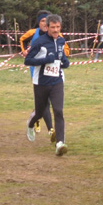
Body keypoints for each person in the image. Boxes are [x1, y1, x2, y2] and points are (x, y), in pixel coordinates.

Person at [25, 14, 70, 156]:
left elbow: (61, 58)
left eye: (58, 27)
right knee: (39, 112)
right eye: (53, 27)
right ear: (47, 27)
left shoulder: (62, 41)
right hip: (41, 82)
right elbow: (28, 61)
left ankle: (60, 143)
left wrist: (65, 61)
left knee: (58, 110)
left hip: (57, 81)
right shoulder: (39, 42)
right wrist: (45, 60)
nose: (56, 30)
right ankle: (31, 124)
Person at [20, 10, 57, 141]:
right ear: (39, 22)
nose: (45, 23)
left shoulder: (55, 33)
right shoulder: (33, 33)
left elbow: (65, 47)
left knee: (46, 101)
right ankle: (50, 129)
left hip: (52, 72)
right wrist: (24, 51)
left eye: (47, 20)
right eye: (42, 21)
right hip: (36, 71)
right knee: (45, 101)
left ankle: (38, 118)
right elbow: (22, 39)